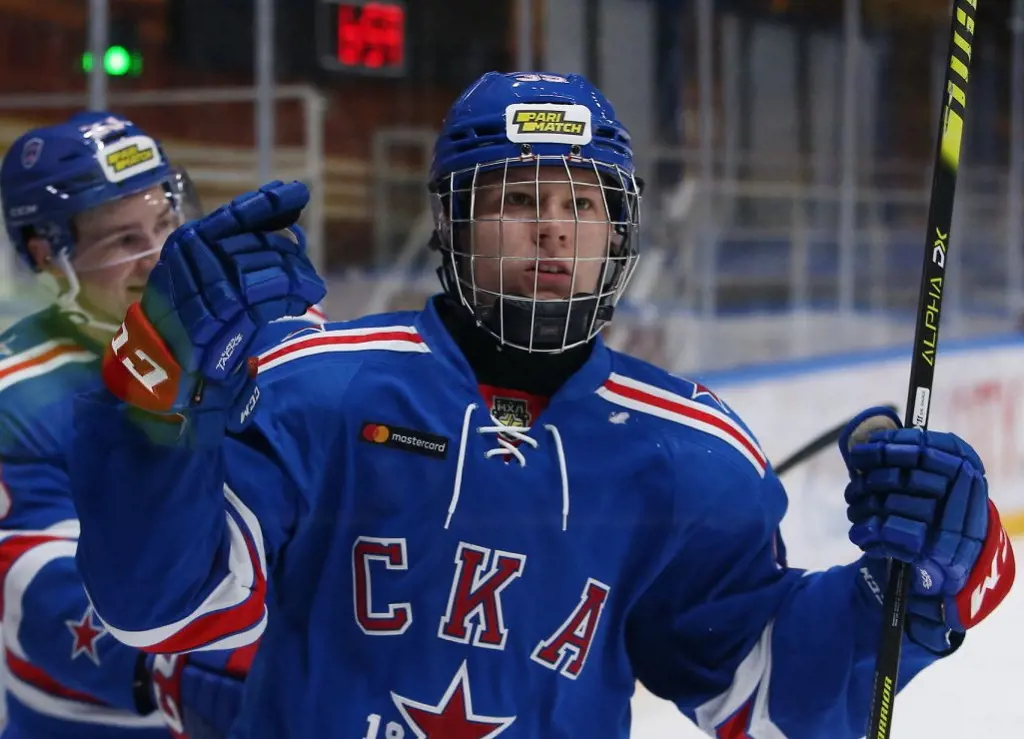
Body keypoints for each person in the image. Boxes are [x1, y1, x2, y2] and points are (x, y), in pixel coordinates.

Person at [69, 72, 1013, 739]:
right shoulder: (319, 385)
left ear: (620, 231)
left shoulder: (693, 452)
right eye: (518, 196)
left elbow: (765, 697)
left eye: (586, 203)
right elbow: (158, 610)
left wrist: (907, 597)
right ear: (452, 223)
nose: (556, 224)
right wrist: (157, 398)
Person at [0, 112, 322, 739]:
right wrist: (190, 672)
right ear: (46, 254)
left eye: (165, 224)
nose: (157, 260)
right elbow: (31, 578)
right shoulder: (16, 392)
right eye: (123, 241)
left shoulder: (255, 328)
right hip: (99, 723)